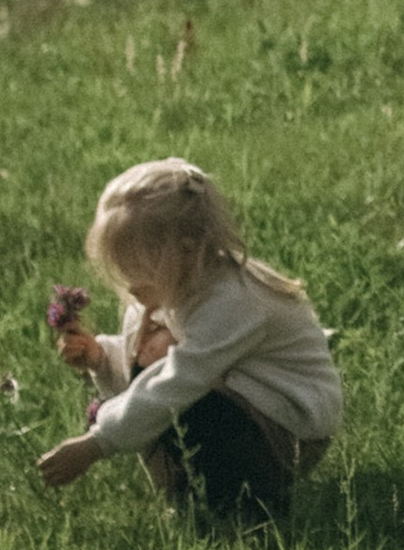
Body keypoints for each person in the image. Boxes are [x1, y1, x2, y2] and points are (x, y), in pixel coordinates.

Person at [38, 157, 341, 522]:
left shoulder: (234, 299)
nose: (130, 282)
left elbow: (178, 379)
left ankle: (249, 504)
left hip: (289, 430)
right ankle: (198, 497)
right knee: (157, 365)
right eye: (121, 267)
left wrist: (97, 443)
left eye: (139, 267)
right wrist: (103, 358)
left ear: (187, 250)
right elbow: (149, 365)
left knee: (186, 401)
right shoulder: (164, 292)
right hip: (247, 403)